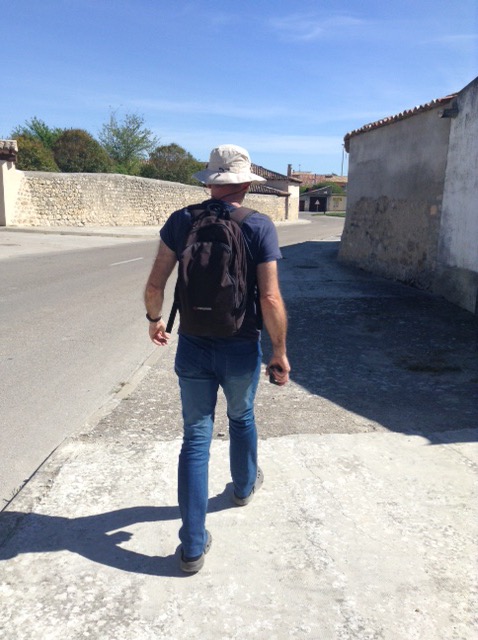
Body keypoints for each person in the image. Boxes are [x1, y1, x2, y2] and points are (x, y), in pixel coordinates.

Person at [144, 144, 290, 573]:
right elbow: (270, 298)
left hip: (192, 343)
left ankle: (192, 547)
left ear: (210, 182)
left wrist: (155, 320)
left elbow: (155, 286)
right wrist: (279, 351)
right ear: (245, 184)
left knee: (195, 438)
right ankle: (243, 488)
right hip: (240, 345)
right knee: (241, 417)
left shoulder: (181, 221)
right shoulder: (258, 225)